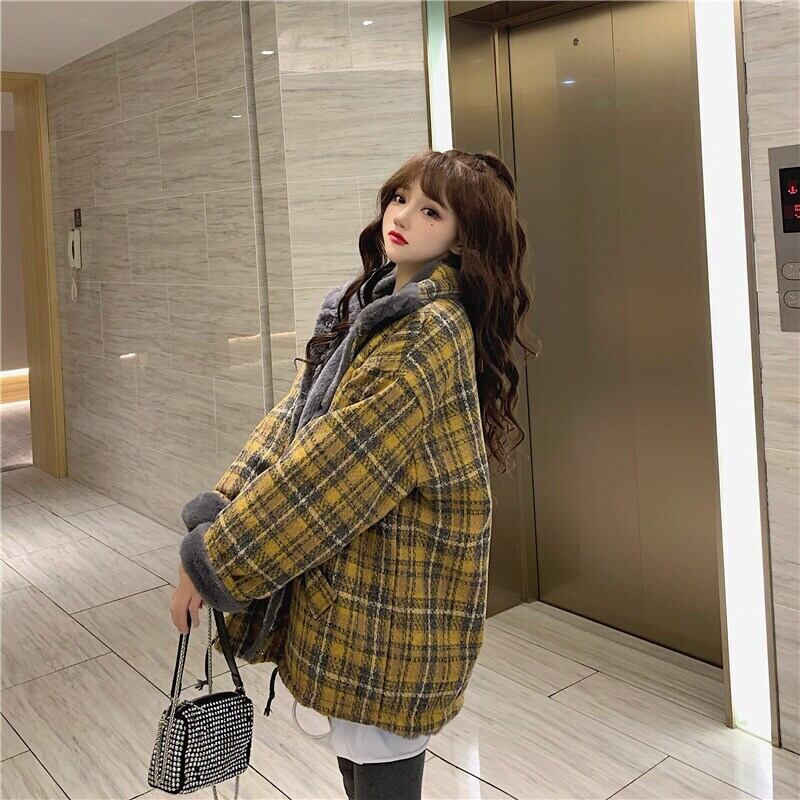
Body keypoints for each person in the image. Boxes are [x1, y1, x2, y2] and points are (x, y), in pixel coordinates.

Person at [170, 148, 539, 800]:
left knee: (379, 772)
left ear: (463, 239)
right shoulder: (365, 304)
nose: (403, 216)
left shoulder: (425, 332)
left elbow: (328, 475)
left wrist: (215, 561)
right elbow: (290, 425)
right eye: (399, 198)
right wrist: (218, 511)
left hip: (392, 606)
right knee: (359, 766)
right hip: (358, 592)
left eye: (431, 211)